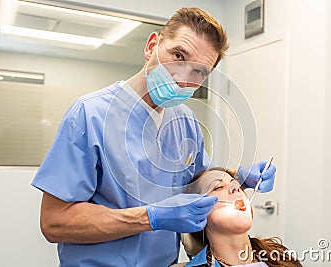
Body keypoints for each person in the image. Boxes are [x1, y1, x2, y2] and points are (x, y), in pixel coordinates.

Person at [31, 7, 277, 267]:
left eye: (198, 72)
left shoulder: (185, 122)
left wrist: (238, 176)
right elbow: (54, 222)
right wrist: (150, 218)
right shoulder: (89, 115)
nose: (183, 79)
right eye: (178, 56)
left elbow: (195, 184)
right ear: (151, 46)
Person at [179, 168, 301, 267]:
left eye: (236, 184)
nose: (235, 189)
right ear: (198, 216)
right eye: (218, 187)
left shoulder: (281, 258)